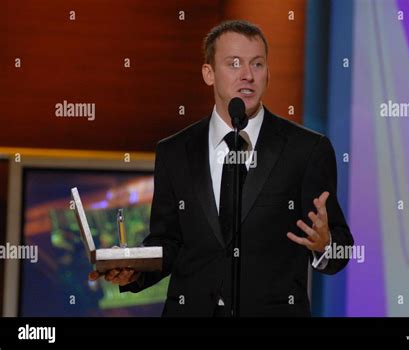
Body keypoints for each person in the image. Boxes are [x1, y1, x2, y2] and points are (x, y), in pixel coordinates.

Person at [89, 20, 354, 317]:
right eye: (234, 64)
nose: (247, 75)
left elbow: (341, 248)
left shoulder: (306, 150)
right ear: (209, 73)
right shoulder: (175, 151)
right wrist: (135, 272)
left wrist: (325, 244)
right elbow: (168, 241)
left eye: (257, 64)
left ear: (268, 73)